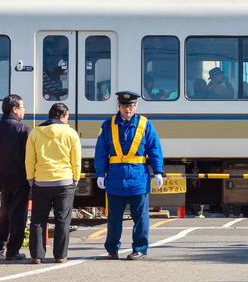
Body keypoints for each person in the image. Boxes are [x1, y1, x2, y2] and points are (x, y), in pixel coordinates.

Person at [94, 91, 164, 260]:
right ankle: (112, 248)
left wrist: (158, 171)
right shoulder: (108, 125)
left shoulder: (145, 124)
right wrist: (99, 173)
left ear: (136, 106)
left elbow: (154, 149)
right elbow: (101, 151)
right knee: (113, 218)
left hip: (138, 178)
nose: (128, 109)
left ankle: (139, 248)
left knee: (141, 217)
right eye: (125, 106)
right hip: (115, 178)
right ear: (118, 106)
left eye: (131, 106)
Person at [25, 102, 81, 264]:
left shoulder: (35, 132)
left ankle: (37, 255)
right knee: (62, 219)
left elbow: (30, 160)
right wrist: (75, 179)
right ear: (62, 117)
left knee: (38, 219)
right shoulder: (71, 133)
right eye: (67, 117)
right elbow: (75, 160)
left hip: (41, 182)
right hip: (64, 182)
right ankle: (60, 255)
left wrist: (31, 179)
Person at [0, 94, 31, 261]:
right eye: (22, 107)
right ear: (15, 109)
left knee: (4, 212)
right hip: (20, 177)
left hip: (2, 177)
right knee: (19, 214)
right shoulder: (23, 129)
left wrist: (0, 164)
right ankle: (13, 250)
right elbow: (29, 155)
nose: (24, 110)